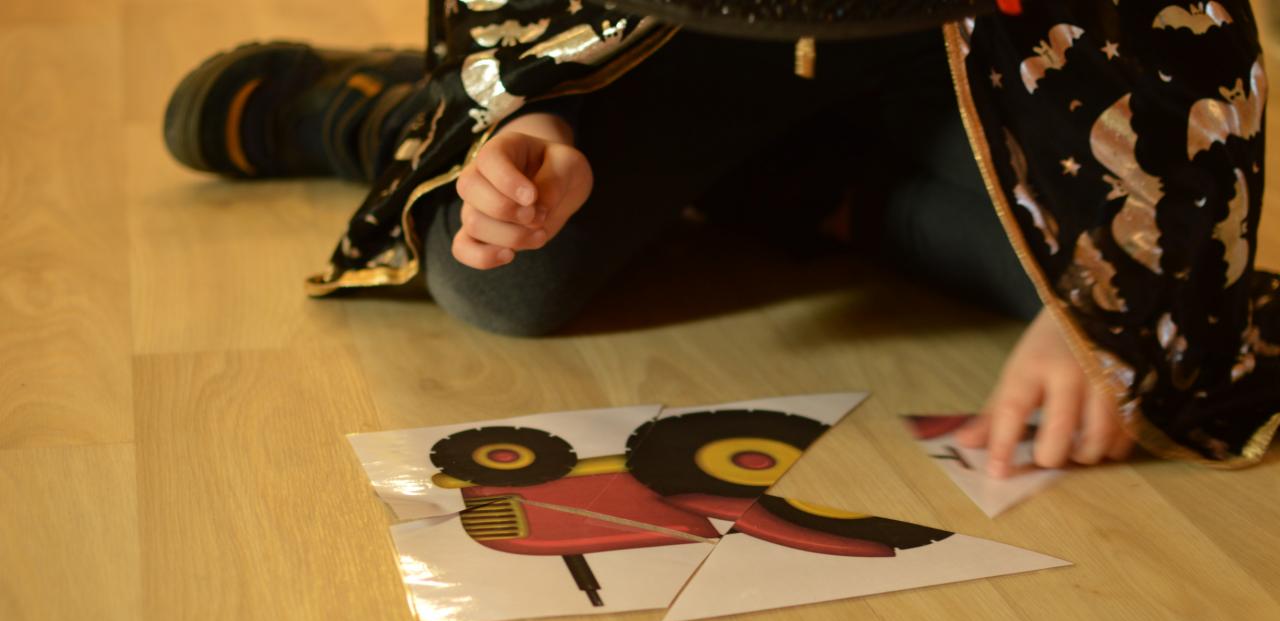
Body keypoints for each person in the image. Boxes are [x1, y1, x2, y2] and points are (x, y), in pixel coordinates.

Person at [164, 0, 1280, 474]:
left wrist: (1098, 286)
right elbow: (512, 20)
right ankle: (374, 113)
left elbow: (1177, 49)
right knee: (504, 277)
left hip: (981, 53)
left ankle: (788, 184)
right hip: (669, 42)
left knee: (1102, 315)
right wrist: (532, 117)